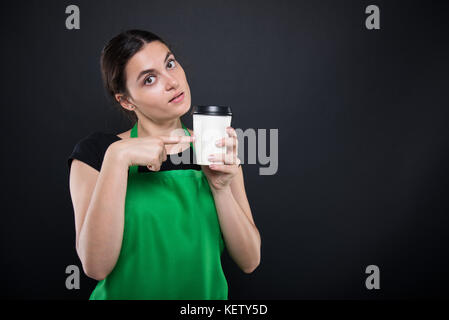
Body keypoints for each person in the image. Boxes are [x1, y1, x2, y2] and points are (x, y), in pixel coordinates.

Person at [67, 29, 261, 300]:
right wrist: (117, 158)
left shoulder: (216, 153)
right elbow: (96, 267)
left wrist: (220, 189)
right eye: (149, 79)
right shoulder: (97, 154)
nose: (172, 81)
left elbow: (250, 261)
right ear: (125, 100)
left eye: (170, 64)